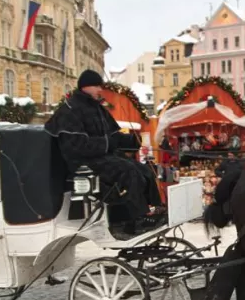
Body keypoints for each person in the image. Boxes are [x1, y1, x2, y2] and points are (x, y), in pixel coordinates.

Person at [44, 69, 163, 235]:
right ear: (86, 86)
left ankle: (154, 209)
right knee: (127, 171)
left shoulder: (97, 108)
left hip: (102, 157)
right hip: (82, 164)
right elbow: (77, 146)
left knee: (143, 169)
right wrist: (107, 143)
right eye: (97, 86)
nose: (100, 90)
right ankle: (134, 220)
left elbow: (114, 136)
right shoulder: (70, 110)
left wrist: (131, 141)